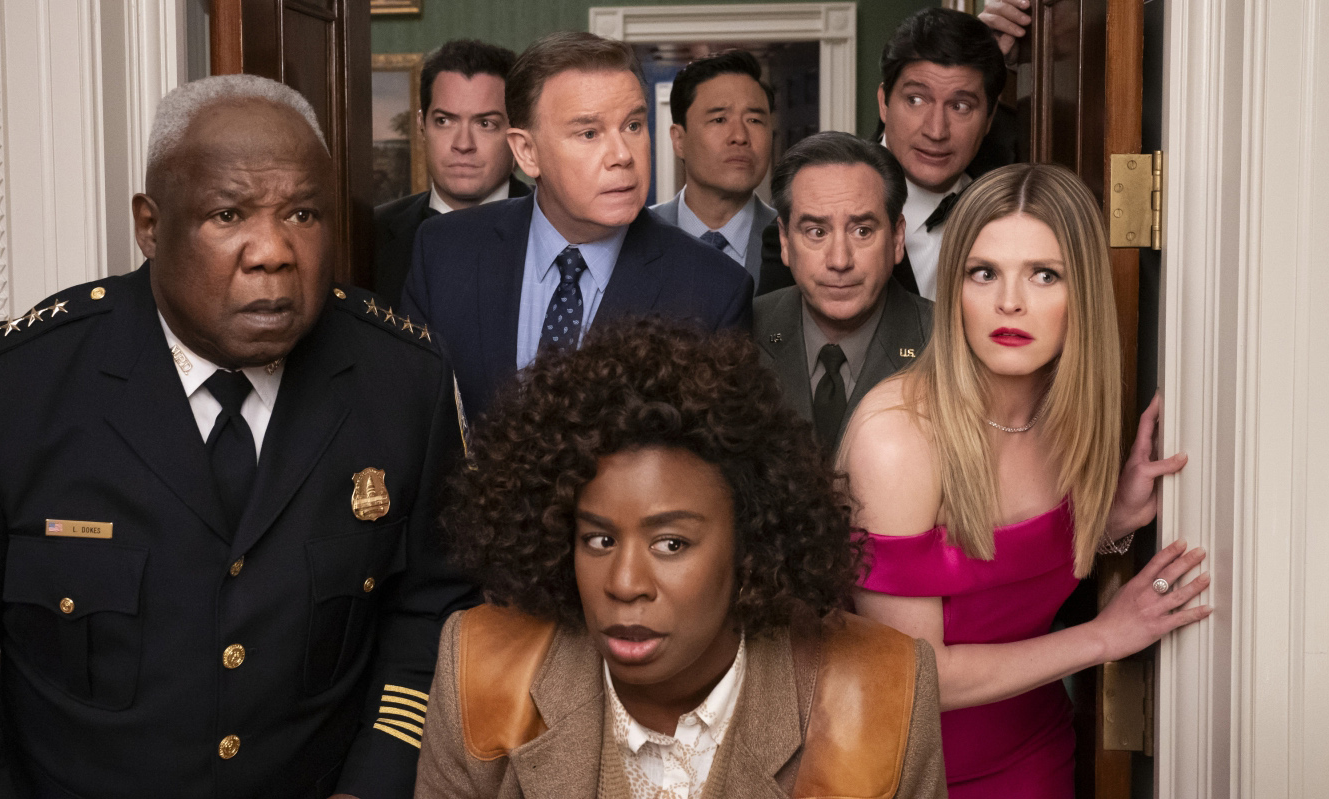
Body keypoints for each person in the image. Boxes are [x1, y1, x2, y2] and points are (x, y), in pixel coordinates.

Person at [0, 75, 476, 799]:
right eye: (228, 214)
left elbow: (432, 611)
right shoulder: (12, 389)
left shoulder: (400, 379)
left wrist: (371, 786)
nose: (272, 251)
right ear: (150, 226)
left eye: (303, 214)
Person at [413, 318, 947, 799]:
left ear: (751, 543)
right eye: (599, 540)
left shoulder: (884, 695)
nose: (625, 583)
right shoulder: (482, 672)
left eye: (671, 544)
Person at [841, 163, 1211, 798]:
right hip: (901, 770)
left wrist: (1110, 520)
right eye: (983, 273)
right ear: (953, 289)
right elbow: (917, 676)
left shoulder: (1074, 424)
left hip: (1033, 755)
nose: (1009, 302)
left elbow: (1002, 581)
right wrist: (1104, 636)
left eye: (1044, 274)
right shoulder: (898, 438)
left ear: (1082, 294)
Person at [400, 31, 753, 423]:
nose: (623, 155)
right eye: (589, 133)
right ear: (527, 152)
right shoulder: (443, 253)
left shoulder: (714, 290)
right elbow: (411, 422)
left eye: (633, 126)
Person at [758, 8, 1008, 301]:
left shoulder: (1008, 208)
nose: (936, 130)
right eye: (916, 100)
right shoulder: (802, 226)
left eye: (960, 106)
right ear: (884, 102)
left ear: (990, 118)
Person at [753, 132, 933, 452]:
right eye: (816, 232)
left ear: (897, 238)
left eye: (862, 231)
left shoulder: (947, 344)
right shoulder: (742, 332)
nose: (839, 260)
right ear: (784, 241)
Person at [373, 39, 528, 308]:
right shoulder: (369, 235)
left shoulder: (557, 229)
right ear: (422, 126)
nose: (463, 144)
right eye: (444, 121)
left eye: (485, 123)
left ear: (517, 134)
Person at [649, 50, 778, 289]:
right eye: (719, 120)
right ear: (679, 140)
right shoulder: (634, 238)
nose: (740, 136)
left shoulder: (791, 239)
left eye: (754, 120)